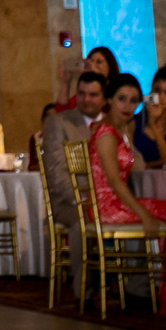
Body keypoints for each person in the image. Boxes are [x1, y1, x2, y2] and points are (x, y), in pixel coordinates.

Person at [88, 73, 166, 314]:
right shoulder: (105, 132)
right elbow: (113, 181)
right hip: (108, 207)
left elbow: (135, 168)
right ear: (109, 100)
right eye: (122, 99)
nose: (128, 106)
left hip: (117, 203)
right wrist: (144, 215)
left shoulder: (124, 128)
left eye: (134, 100)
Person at [41, 71, 107, 294]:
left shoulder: (113, 123)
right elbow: (55, 170)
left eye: (93, 95)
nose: (86, 99)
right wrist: (83, 198)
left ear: (104, 98)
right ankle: (84, 291)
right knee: (83, 220)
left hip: (108, 199)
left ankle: (137, 289)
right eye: (82, 93)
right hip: (70, 202)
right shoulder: (59, 122)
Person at [52, 46, 119, 112]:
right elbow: (62, 112)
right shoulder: (84, 93)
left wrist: (98, 76)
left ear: (110, 66)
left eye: (99, 62)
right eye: (91, 62)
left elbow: (113, 108)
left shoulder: (118, 88)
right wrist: (65, 82)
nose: (93, 65)